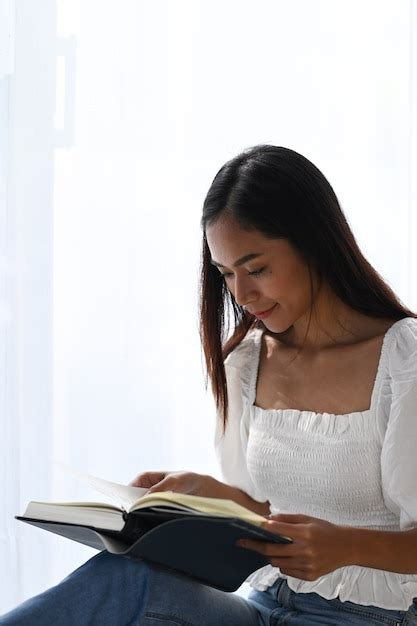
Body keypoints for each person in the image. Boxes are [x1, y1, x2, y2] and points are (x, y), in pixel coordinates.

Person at [1, 144, 417, 625]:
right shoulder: (247, 361)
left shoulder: (401, 361)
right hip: (265, 608)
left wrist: (346, 545)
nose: (241, 295)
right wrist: (204, 492)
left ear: (314, 243)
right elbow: (267, 511)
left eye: (257, 268)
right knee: (126, 580)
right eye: (227, 275)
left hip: (370, 618)